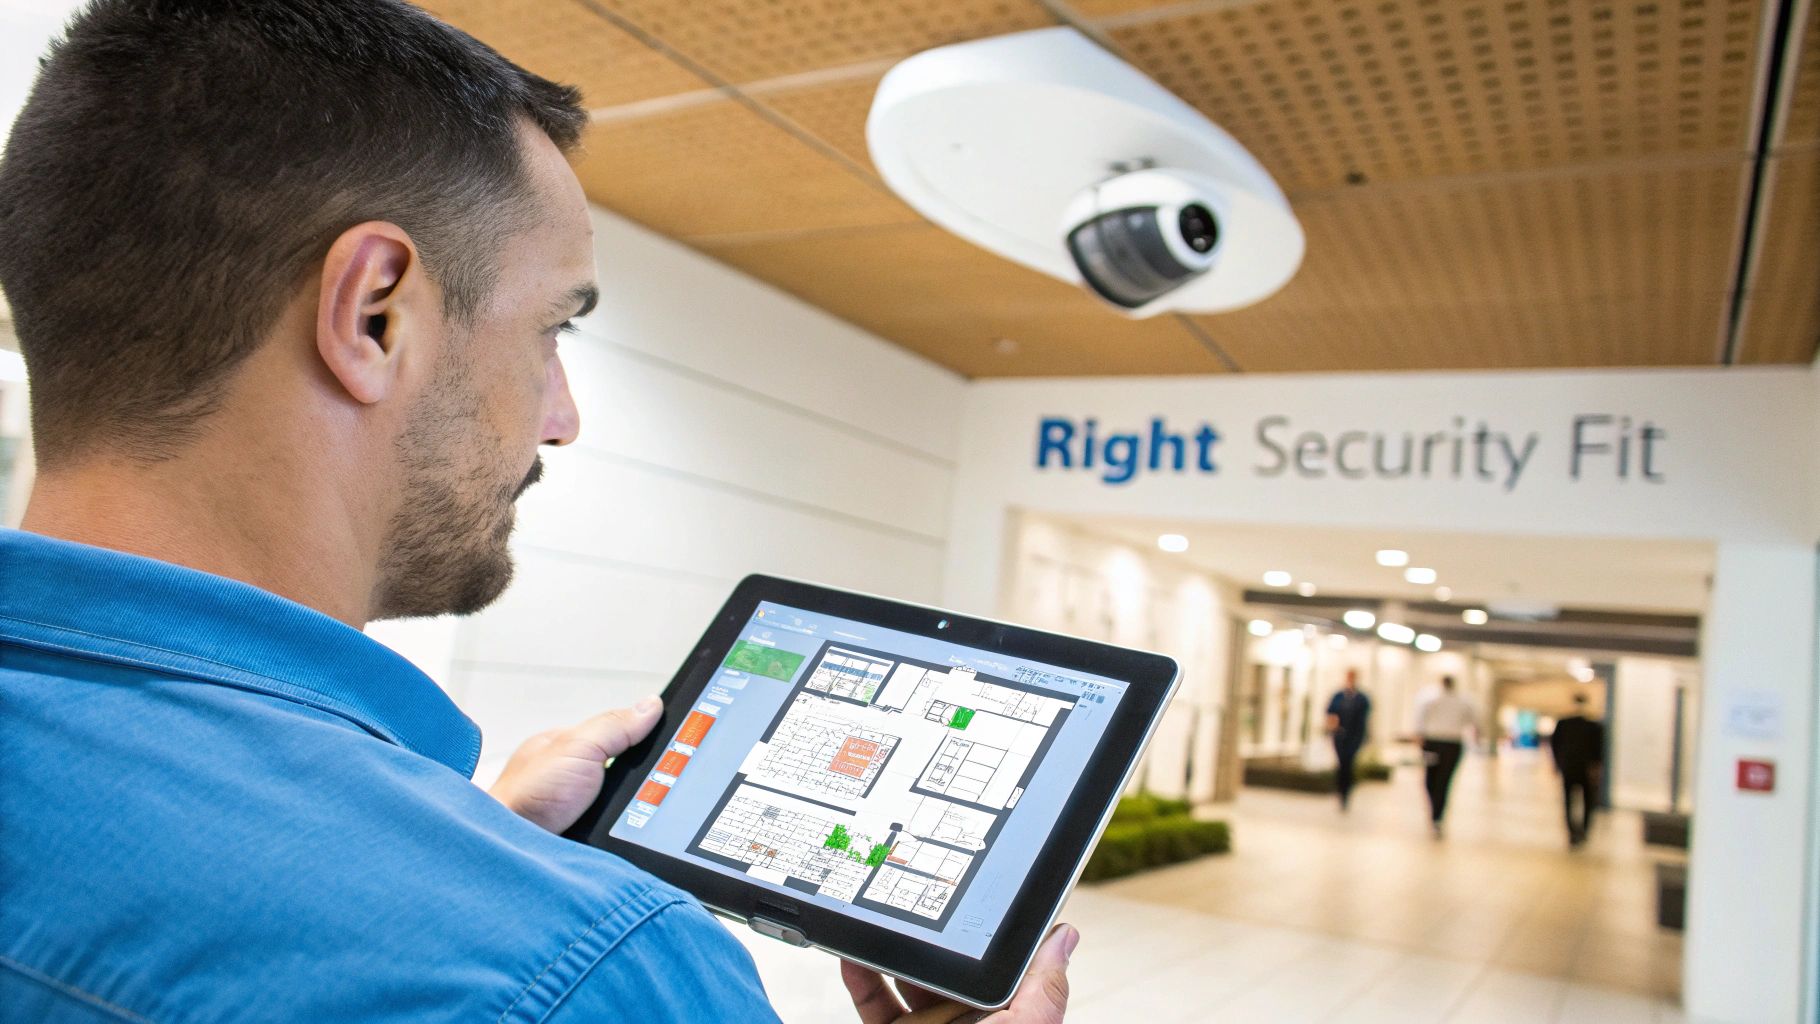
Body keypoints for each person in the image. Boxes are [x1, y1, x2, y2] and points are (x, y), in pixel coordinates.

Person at [0, 2, 1075, 1021]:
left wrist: (467, 857)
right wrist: (511, 912)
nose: (561, 420)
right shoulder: (588, 969)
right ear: (373, 315)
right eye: (553, 330)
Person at [1413, 675, 1477, 837]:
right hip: (1435, 741)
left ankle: (1437, 815)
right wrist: (1420, 735)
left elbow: (1473, 719)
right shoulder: (1430, 698)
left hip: (1450, 742)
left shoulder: (1463, 701)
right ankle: (1436, 810)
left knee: (1442, 780)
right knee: (1432, 779)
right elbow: (1420, 718)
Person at [1549, 694, 1606, 847]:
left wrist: (1557, 764)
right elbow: (1555, 745)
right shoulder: (1591, 726)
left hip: (1573, 768)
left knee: (1575, 801)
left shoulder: (1568, 724)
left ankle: (1577, 831)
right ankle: (1579, 831)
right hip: (1579, 769)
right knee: (1582, 801)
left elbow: (1555, 745)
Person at [1324, 668, 1372, 811]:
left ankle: (1346, 793)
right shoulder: (1338, 696)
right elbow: (1330, 713)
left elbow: (1365, 718)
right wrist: (1332, 725)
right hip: (1340, 735)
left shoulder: (1362, 698)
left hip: (1355, 736)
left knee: (1348, 762)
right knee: (1341, 763)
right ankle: (1340, 791)